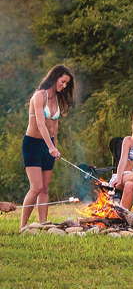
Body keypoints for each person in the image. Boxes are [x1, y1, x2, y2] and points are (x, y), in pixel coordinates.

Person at [21, 64, 75, 228]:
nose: (64, 86)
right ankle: (23, 226)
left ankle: (43, 223)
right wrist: (50, 146)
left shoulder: (57, 98)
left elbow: (54, 126)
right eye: (63, 81)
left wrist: (54, 147)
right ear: (55, 77)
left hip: (49, 145)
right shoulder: (39, 96)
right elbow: (40, 124)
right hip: (33, 145)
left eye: (66, 83)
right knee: (36, 187)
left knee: (45, 188)